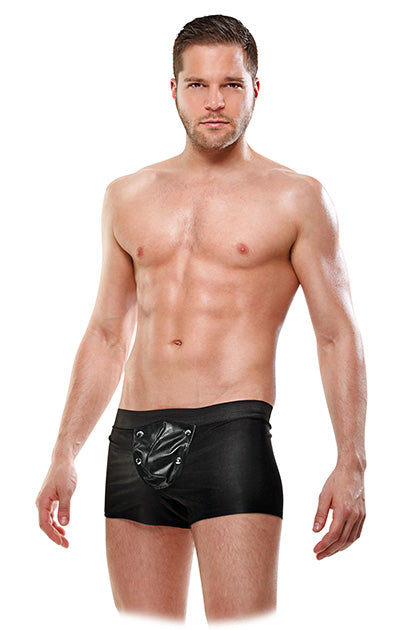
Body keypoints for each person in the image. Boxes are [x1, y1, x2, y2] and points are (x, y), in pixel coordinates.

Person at [35, 13, 367, 624]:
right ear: (174, 90)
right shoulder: (126, 196)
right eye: (198, 84)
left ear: (255, 89)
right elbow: (107, 335)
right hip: (132, 439)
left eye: (231, 84)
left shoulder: (297, 198)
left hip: (231, 437)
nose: (214, 101)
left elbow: (336, 333)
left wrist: (352, 462)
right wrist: (64, 451)